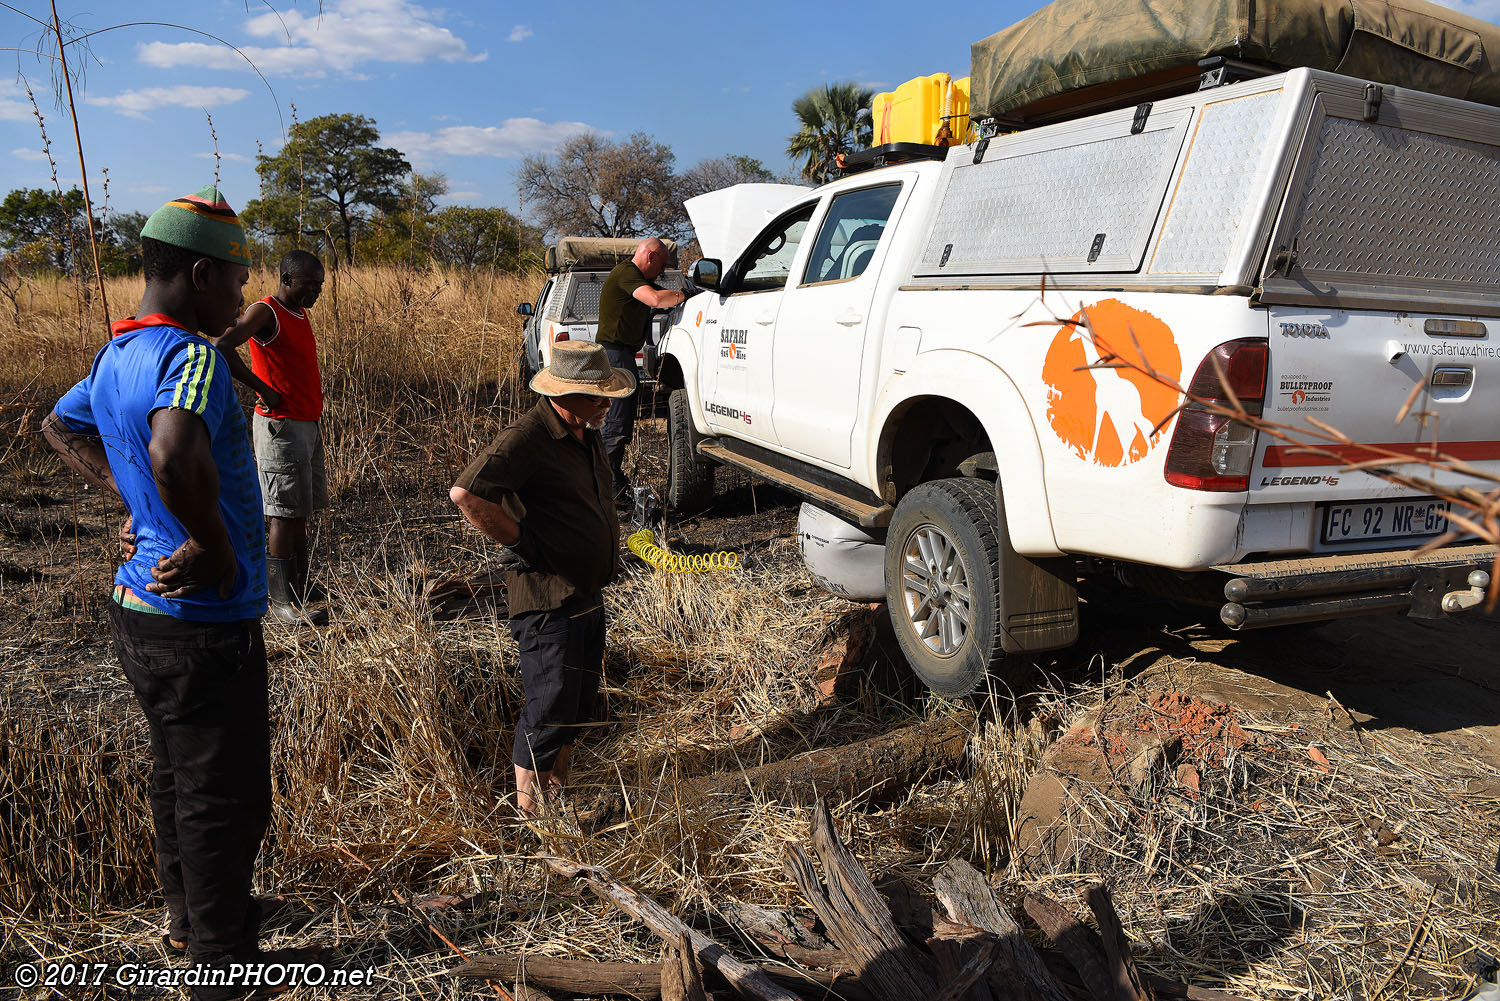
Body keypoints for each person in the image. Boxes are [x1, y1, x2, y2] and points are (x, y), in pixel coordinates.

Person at [41, 187, 323, 999]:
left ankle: (193, 918)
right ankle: (222, 968)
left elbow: (60, 427)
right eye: (235, 280)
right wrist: (209, 542)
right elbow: (170, 456)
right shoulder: (189, 357)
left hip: (138, 613)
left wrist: (131, 505)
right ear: (200, 274)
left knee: (176, 773)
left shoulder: (115, 353)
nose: (243, 295)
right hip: (201, 622)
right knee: (224, 796)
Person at [448, 341, 632, 813]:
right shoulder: (528, 436)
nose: (605, 406)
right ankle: (531, 819)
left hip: (587, 593)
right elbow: (467, 494)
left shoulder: (584, 432)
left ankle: (557, 799)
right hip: (548, 600)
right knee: (548, 709)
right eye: (596, 398)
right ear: (563, 395)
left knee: (575, 708)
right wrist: (521, 543)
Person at [214, 250, 329, 625]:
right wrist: (261, 388)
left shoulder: (298, 313)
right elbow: (223, 345)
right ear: (288, 279)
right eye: (311, 284)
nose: (316, 291)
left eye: (320, 285)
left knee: (300, 511)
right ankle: (280, 603)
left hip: (306, 423)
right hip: (280, 425)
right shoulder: (267, 311)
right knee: (282, 513)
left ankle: (299, 588)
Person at [594, 237, 689, 504]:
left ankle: (610, 482)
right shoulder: (626, 274)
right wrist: (686, 295)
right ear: (650, 256)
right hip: (615, 355)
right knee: (615, 422)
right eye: (661, 265)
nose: (661, 272)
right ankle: (608, 486)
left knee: (619, 421)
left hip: (620, 354)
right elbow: (657, 299)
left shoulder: (634, 276)